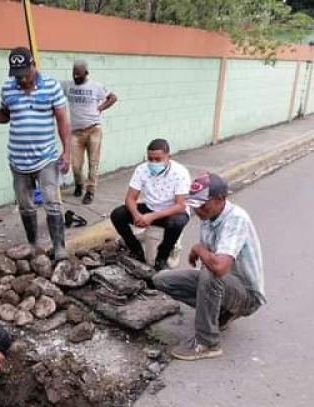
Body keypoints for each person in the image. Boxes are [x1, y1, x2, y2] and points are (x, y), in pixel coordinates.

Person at [152, 173, 265, 361]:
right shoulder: (209, 216)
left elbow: (220, 268)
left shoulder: (236, 219)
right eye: (195, 206)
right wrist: (201, 251)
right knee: (162, 279)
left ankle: (207, 342)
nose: (198, 211)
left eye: (203, 205)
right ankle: (220, 312)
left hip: (246, 294)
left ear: (220, 199)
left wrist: (198, 249)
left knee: (211, 274)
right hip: (227, 286)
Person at [0, 47, 72, 260]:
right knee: (25, 203)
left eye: (25, 74)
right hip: (18, 159)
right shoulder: (8, 88)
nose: (22, 80)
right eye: (17, 76)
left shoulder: (51, 86)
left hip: (46, 158)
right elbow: (5, 116)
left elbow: (62, 120)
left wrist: (67, 152)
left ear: (33, 65)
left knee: (51, 201)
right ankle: (33, 244)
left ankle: (59, 248)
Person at [110, 139, 191, 271]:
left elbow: (180, 205)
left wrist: (151, 217)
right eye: (150, 159)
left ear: (168, 157)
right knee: (118, 214)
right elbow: (130, 198)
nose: (153, 163)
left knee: (177, 222)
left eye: (158, 159)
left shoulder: (180, 173)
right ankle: (136, 250)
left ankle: (162, 258)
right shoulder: (142, 170)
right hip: (150, 208)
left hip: (170, 212)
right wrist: (137, 215)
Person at [61, 60, 117, 205]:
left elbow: (113, 97)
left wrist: (101, 107)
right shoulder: (67, 85)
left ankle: (90, 191)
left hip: (94, 129)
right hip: (75, 132)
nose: (75, 77)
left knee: (94, 163)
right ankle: (79, 184)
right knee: (76, 165)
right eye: (74, 74)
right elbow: (53, 92)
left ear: (86, 73)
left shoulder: (96, 87)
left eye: (78, 75)